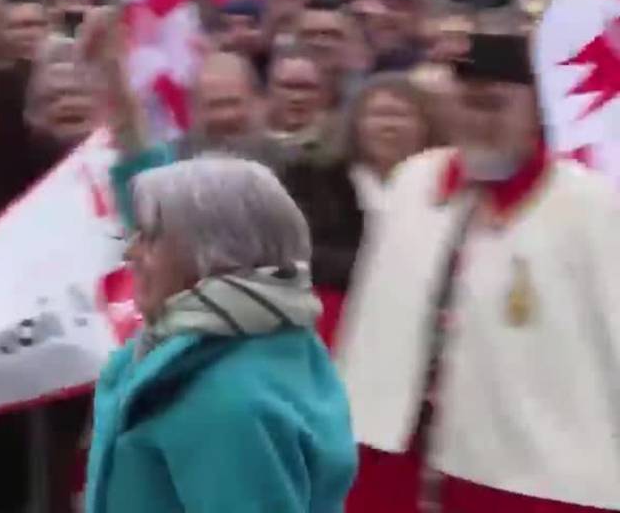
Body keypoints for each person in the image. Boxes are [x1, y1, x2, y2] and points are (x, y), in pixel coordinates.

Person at [338, 34, 620, 513]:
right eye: (468, 104)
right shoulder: (416, 181)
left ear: (536, 110)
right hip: (394, 451)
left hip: (533, 472)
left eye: (496, 106)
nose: (479, 121)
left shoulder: (590, 205)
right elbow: (371, 312)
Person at [86, 150, 357, 513]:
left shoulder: (225, 397)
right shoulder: (261, 341)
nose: (130, 252)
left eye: (150, 237)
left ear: (214, 252)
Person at [284, 73, 440, 347]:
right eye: (378, 115)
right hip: (336, 316)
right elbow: (303, 252)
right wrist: (380, 269)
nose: (388, 126)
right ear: (355, 123)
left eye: (400, 115)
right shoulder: (314, 178)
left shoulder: (443, 182)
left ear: (425, 125)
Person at [266, 46, 331, 154]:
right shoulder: (248, 144)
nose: (297, 98)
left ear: (325, 93)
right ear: (270, 89)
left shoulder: (340, 146)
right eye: (288, 87)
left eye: (307, 88)